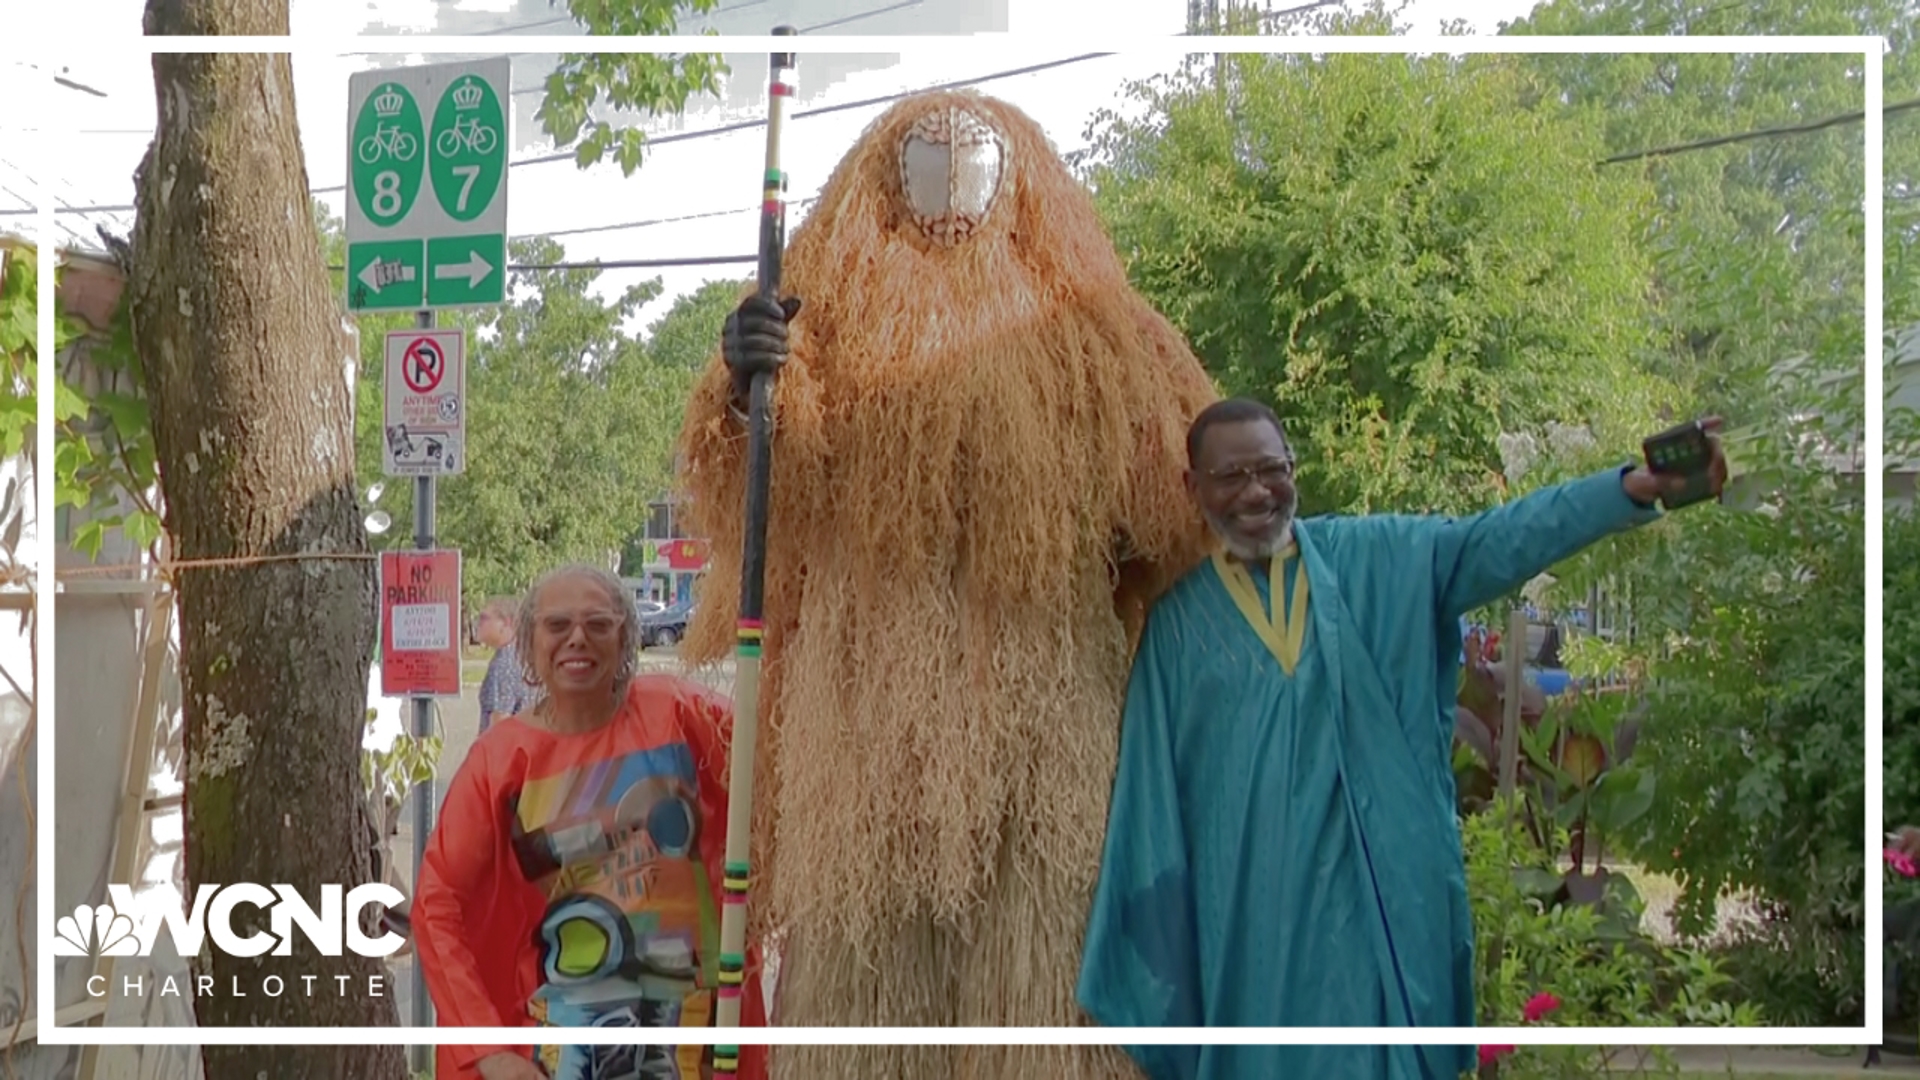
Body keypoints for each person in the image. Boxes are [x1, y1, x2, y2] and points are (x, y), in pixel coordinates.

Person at [1076, 398, 1728, 1080]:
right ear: (1193, 488)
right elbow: (1151, 809)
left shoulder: (1380, 563)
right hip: (1249, 952)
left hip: (1373, 943)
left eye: (1272, 469)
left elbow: (1502, 539)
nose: (1256, 492)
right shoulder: (1178, 631)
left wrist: (1628, 490)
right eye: (1231, 475)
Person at [411, 563, 767, 1080]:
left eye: (598, 624)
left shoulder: (677, 713)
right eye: (558, 626)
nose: (577, 639)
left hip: (699, 1042)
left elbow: (778, 768)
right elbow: (437, 901)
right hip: (566, 1050)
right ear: (529, 643)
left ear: (625, 638)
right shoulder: (502, 760)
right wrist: (486, 1048)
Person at [475, 596, 534, 734]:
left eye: (484, 618)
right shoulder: (524, 654)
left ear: (506, 623)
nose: (478, 623)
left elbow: (500, 723)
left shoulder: (504, 663)